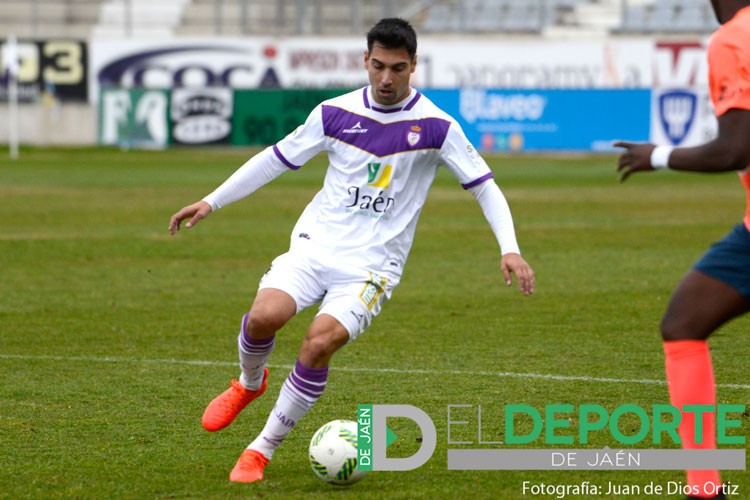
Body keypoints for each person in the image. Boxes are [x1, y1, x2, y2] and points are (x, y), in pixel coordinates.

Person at [169, 17, 535, 483]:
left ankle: (260, 450)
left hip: (372, 268)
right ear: (365, 60)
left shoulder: (437, 127)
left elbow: (485, 186)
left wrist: (510, 248)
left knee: (319, 342)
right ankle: (248, 383)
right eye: (378, 66)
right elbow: (275, 159)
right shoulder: (333, 113)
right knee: (263, 317)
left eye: (398, 69)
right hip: (314, 248)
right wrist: (211, 200)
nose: (386, 79)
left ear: (414, 66)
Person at [615, 2, 750, 499]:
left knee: (683, 327)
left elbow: (736, 148)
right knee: (684, 322)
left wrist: (659, 155)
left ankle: (704, 487)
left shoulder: (735, 37)